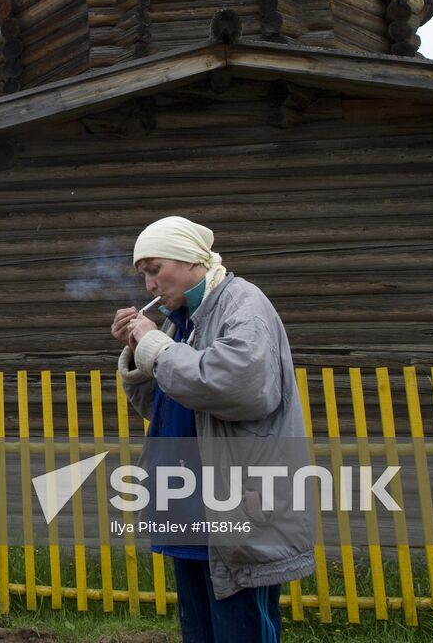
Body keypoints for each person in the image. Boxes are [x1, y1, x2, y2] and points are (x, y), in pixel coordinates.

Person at [112, 216, 313, 642]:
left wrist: (156, 346)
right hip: (187, 504)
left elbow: (239, 386)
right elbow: (164, 405)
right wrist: (138, 354)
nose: (149, 285)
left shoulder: (242, 304)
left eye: (154, 269)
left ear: (188, 260)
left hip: (236, 504)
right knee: (200, 633)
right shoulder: (183, 316)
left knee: (240, 632)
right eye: (144, 274)